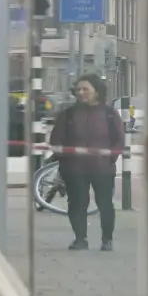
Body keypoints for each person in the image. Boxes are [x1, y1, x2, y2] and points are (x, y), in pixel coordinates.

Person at [49, 74, 124, 251]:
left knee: (105, 204)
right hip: (74, 169)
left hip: (102, 169)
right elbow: (56, 140)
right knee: (76, 204)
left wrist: (109, 159)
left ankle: (107, 240)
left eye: (85, 89)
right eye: (78, 90)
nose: (81, 93)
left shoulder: (109, 114)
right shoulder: (67, 114)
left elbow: (118, 140)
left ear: (96, 92)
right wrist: (66, 160)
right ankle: (80, 239)